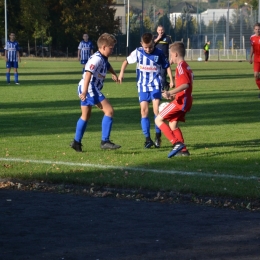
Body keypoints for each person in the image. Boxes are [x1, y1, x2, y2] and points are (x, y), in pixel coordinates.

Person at [118, 32, 174, 149]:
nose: (148, 50)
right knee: (144, 111)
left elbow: (166, 65)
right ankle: (147, 139)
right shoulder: (138, 52)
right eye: (145, 47)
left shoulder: (159, 53)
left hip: (155, 85)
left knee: (156, 111)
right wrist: (121, 73)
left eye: (150, 47)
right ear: (141, 44)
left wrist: (171, 79)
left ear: (154, 43)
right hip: (142, 86)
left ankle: (158, 136)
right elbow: (125, 62)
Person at [70, 33, 121, 152]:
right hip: (89, 88)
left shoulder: (103, 58)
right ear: (103, 47)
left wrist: (113, 73)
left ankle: (76, 142)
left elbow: (107, 65)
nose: (112, 50)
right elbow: (88, 73)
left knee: (85, 115)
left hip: (86, 88)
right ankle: (105, 141)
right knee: (109, 111)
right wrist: (84, 92)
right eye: (111, 48)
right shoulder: (96, 58)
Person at [155, 41, 193, 158]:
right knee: (173, 124)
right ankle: (184, 151)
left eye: (171, 55)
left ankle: (176, 143)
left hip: (181, 102)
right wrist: (172, 96)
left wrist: (169, 92)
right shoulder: (185, 66)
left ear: (175, 54)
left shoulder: (181, 67)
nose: (170, 58)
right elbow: (185, 87)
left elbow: (186, 84)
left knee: (158, 120)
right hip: (184, 100)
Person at [154, 25, 173, 91]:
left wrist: (171, 58)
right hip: (156, 59)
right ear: (157, 30)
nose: (160, 31)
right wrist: (157, 39)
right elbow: (151, 45)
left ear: (164, 30)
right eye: (159, 30)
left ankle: (162, 88)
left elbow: (171, 48)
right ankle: (165, 84)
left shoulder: (167, 38)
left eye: (162, 30)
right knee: (157, 74)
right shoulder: (154, 37)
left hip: (164, 59)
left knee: (163, 73)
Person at [249, 23, 260, 98]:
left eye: (259, 29)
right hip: (256, 59)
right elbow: (252, 48)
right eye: (256, 29)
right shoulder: (252, 38)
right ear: (254, 30)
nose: (258, 30)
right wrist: (250, 57)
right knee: (256, 76)